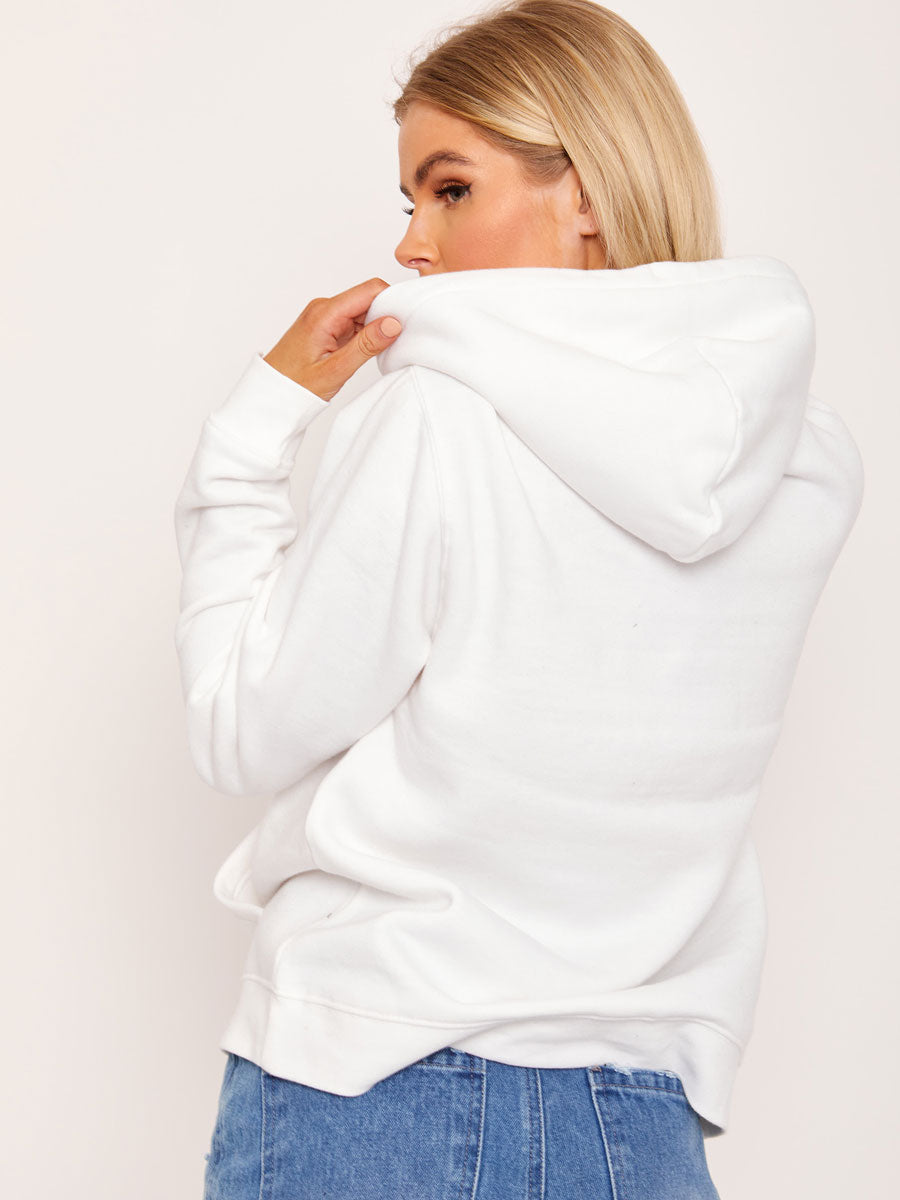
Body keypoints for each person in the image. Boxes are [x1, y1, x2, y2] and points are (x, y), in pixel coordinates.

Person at [173, 2, 864, 1197]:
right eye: (411, 202)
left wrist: (251, 436)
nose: (414, 247)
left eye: (450, 190)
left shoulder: (435, 421)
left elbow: (243, 730)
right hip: (637, 1116)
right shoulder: (806, 464)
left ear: (586, 188)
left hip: (369, 1078)